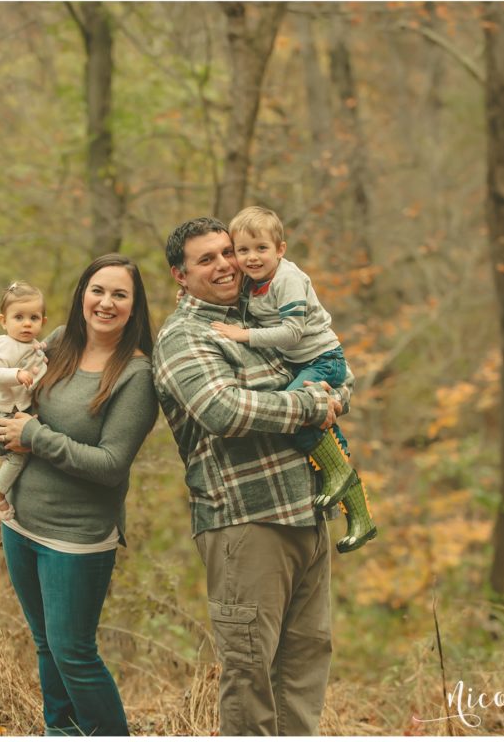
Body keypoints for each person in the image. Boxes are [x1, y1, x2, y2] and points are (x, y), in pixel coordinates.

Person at [152, 219, 350, 737]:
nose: (223, 265)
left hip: (307, 514)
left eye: (227, 253)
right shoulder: (184, 338)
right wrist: (309, 405)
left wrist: (328, 398)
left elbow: (335, 375)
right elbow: (223, 410)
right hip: (246, 522)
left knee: (305, 664)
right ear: (180, 274)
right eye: (206, 259)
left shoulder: (262, 319)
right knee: (250, 673)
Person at [0, 254, 158, 739]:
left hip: (77, 537)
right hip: (21, 522)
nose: (105, 303)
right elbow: (15, 409)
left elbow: (110, 466)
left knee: (74, 652)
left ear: (134, 306)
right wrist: (3, 430)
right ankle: (60, 733)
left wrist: (34, 437)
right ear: (82, 293)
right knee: (46, 645)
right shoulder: (58, 343)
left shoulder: (136, 375)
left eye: (119, 294)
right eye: (97, 290)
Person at [211, 204, 376, 552]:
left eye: (261, 249)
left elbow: (291, 332)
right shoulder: (254, 281)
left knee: (296, 411)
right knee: (322, 430)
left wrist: (244, 336)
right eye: (243, 250)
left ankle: (338, 478)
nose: (251, 258)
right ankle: (362, 519)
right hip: (301, 365)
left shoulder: (287, 280)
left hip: (323, 359)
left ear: (280, 250)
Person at [0, 281, 49, 521]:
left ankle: (5, 470)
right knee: (18, 456)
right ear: (3, 321)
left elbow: (36, 356)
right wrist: (16, 374)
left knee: (16, 457)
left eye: (34, 317)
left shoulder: (30, 344)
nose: (27, 323)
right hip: (6, 413)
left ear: (43, 321)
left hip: (17, 408)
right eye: (18, 317)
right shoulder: (4, 346)